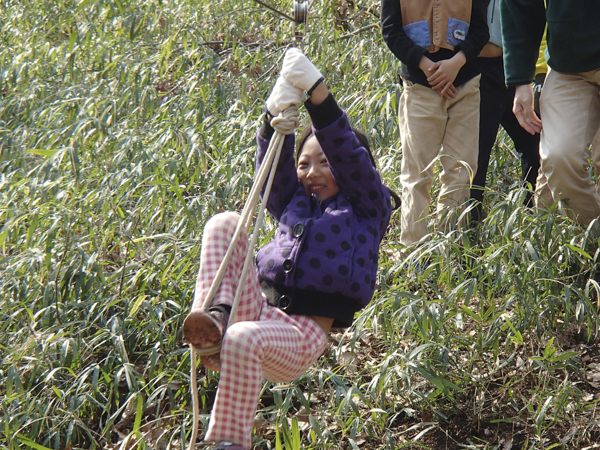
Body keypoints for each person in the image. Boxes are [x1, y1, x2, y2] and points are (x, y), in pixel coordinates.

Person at [182, 48, 399, 450]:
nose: (312, 173)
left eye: (324, 163)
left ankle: (226, 443)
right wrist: (273, 117)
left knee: (244, 337)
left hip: (301, 336)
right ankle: (212, 328)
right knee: (224, 224)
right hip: (256, 310)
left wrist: (318, 95)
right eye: (304, 164)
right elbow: (273, 169)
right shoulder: (292, 204)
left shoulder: (368, 208)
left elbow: (350, 160)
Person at [381, 0, 489, 246]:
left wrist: (455, 63)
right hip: (419, 86)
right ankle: (413, 252)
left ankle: (450, 250)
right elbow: (390, 30)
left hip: (465, 86)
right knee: (417, 173)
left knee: (461, 170)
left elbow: (481, 30)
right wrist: (427, 67)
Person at [501, 0, 600, 226]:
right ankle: (592, 242)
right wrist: (521, 81)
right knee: (558, 157)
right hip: (568, 66)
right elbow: (520, 7)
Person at [470, 0, 541, 222]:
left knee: (535, 142)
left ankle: (530, 216)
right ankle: (470, 231)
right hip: (477, 69)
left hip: (516, 71)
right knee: (477, 155)